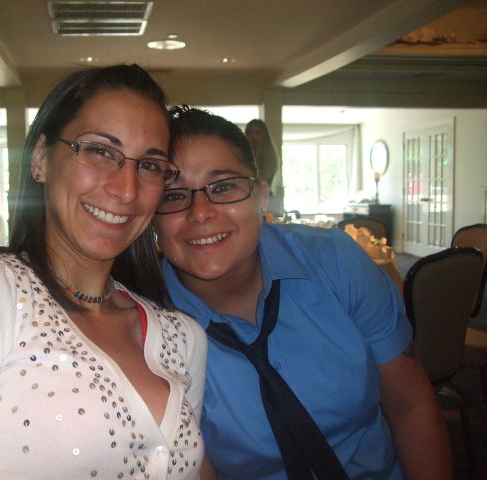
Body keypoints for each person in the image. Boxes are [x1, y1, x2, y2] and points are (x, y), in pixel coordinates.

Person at [0, 65, 207, 479]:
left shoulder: (183, 337)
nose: (126, 189)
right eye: (100, 151)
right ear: (40, 160)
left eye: (150, 165)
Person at [153, 106, 452, 479]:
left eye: (224, 186)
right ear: (151, 216)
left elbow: (411, 407)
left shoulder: (335, 263)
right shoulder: (147, 329)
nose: (200, 212)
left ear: (262, 196)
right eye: (173, 196)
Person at [244, 119, 283, 216]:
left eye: (258, 133)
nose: (254, 136)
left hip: (267, 202)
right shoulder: (243, 156)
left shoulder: (270, 157)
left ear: (264, 135)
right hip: (247, 199)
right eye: (250, 133)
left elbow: (260, 180)